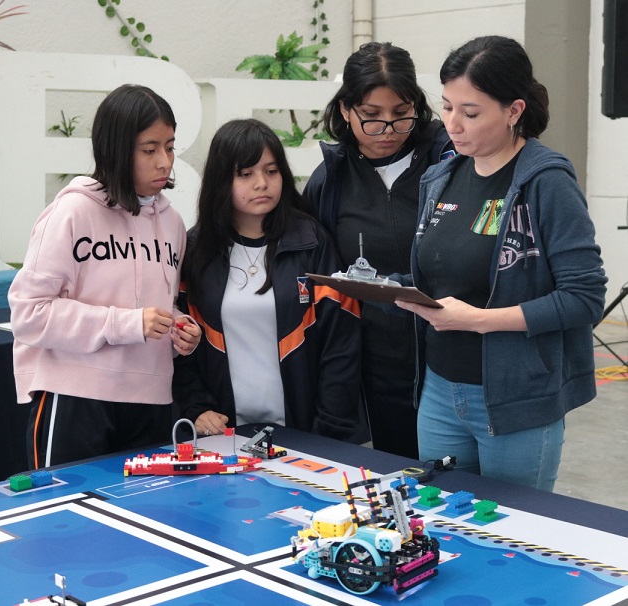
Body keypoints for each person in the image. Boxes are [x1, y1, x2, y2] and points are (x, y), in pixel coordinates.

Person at [393, 36, 607, 491]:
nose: (453, 124)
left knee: (514, 537)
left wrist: (479, 321)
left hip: (517, 399)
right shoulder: (441, 178)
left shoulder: (547, 182)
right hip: (439, 391)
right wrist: (387, 288)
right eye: (447, 107)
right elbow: (442, 276)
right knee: (441, 526)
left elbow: (583, 299)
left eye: (470, 113)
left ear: (514, 111)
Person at [9, 84, 201, 469]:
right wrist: (126, 324)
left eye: (170, 146)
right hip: (75, 397)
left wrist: (181, 328)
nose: (165, 161)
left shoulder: (173, 222)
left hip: (151, 401)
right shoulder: (73, 213)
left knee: (145, 521)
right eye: (149, 150)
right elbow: (28, 314)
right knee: (65, 520)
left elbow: (159, 305)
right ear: (115, 149)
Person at [304, 42, 454, 458]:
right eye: (371, 117)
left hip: (451, 361)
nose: (387, 129)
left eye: (401, 113)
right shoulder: (329, 182)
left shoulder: (449, 163)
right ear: (346, 110)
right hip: (376, 371)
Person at [173, 118, 366, 442]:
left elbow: (342, 344)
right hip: (225, 434)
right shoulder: (195, 251)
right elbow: (180, 343)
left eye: (271, 171)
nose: (261, 183)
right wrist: (196, 408)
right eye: (245, 174)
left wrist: (329, 430)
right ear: (221, 181)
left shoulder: (312, 241)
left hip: (307, 432)